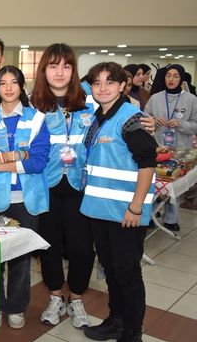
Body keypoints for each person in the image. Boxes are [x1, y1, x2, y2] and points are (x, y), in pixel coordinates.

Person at [0, 65, 50, 329]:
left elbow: (38, 161)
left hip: (25, 201)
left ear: (21, 86)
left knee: (21, 260)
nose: (8, 87)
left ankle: (16, 307)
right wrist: (17, 155)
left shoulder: (36, 119)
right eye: (2, 83)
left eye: (13, 82)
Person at [81, 62, 156, 342]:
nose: (102, 88)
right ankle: (116, 320)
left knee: (128, 274)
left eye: (109, 82)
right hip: (100, 210)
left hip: (125, 214)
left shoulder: (131, 118)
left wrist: (136, 207)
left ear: (123, 86)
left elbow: (148, 164)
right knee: (111, 271)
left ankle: (132, 332)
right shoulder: (98, 117)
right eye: (97, 83)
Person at [28, 43, 95, 329]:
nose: (60, 72)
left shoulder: (90, 101)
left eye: (66, 66)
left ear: (73, 70)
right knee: (50, 245)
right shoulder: (33, 104)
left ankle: (77, 297)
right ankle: (56, 295)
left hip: (81, 185)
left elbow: (119, 119)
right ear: (44, 69)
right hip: (46, 185)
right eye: (53, 66)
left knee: (82, 247)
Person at [144, 64, 197, 232]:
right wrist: (153, 122)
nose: (171, 79)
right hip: (158, 148)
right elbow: (145, 120)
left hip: (181, 149)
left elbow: (196, 125)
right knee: (154, 182)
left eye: (175, 76)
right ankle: (149, 214)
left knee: (175, 185)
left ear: (181, 78)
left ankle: (170, 218)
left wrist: (181, 124)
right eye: (168, 76)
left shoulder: (191, 99)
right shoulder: (155, 98)